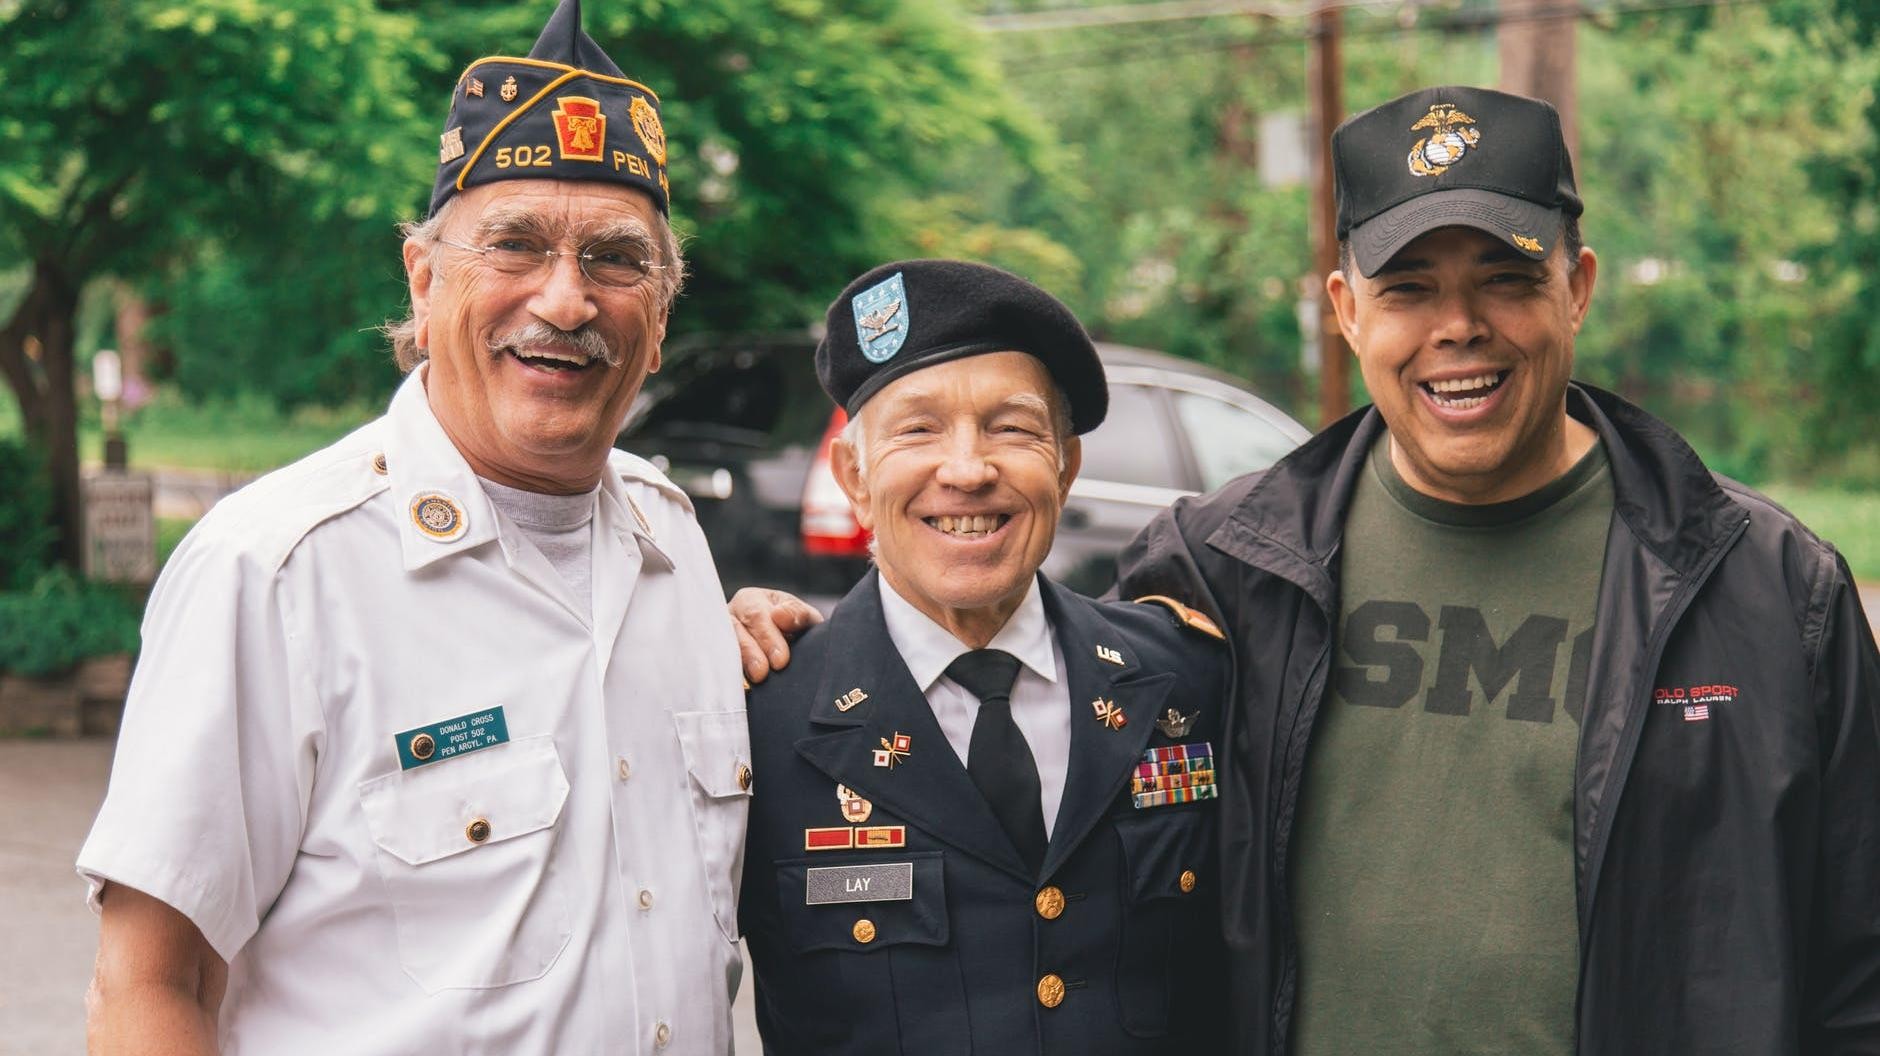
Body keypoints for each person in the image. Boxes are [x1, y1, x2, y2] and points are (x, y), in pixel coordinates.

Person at [734, 86, 1880, 1055]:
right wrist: (751, 637)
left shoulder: (1771, 592)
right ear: (1344, 310)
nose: (1457, 326)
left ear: (1575, 287)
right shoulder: (1225, 571)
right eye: (1407, 288)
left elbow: (1854, 971)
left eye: (1505, 277)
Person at [78, 3, 754, 1052]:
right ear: (425, 277)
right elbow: (146, 989)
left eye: (617, 260)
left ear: (660, 316)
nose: (566, 301)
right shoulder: (278, 568)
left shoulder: (674, 550)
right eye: (515, 246)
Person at [738, 259, 1231, 1054]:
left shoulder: (1186, 681)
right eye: (919, 429)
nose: (967, 470)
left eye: (1012, 428)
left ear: (1065, 470)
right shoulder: (759, 715)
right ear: (854, 480)